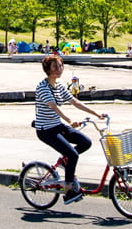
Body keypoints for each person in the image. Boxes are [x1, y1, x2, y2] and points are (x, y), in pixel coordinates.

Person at [33, 54, 105, 204]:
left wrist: (96, 113)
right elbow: (53, 106)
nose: (59, 69)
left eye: (60, 66)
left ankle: (66, 163)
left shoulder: (58, 86)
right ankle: (68, 190)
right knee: (73, 154)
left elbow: (74, 101)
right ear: (47, 69)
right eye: (55, 66)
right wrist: (69, 120)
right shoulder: (42, 87)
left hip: (57, 125)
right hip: (45, 129)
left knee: (85, 142)